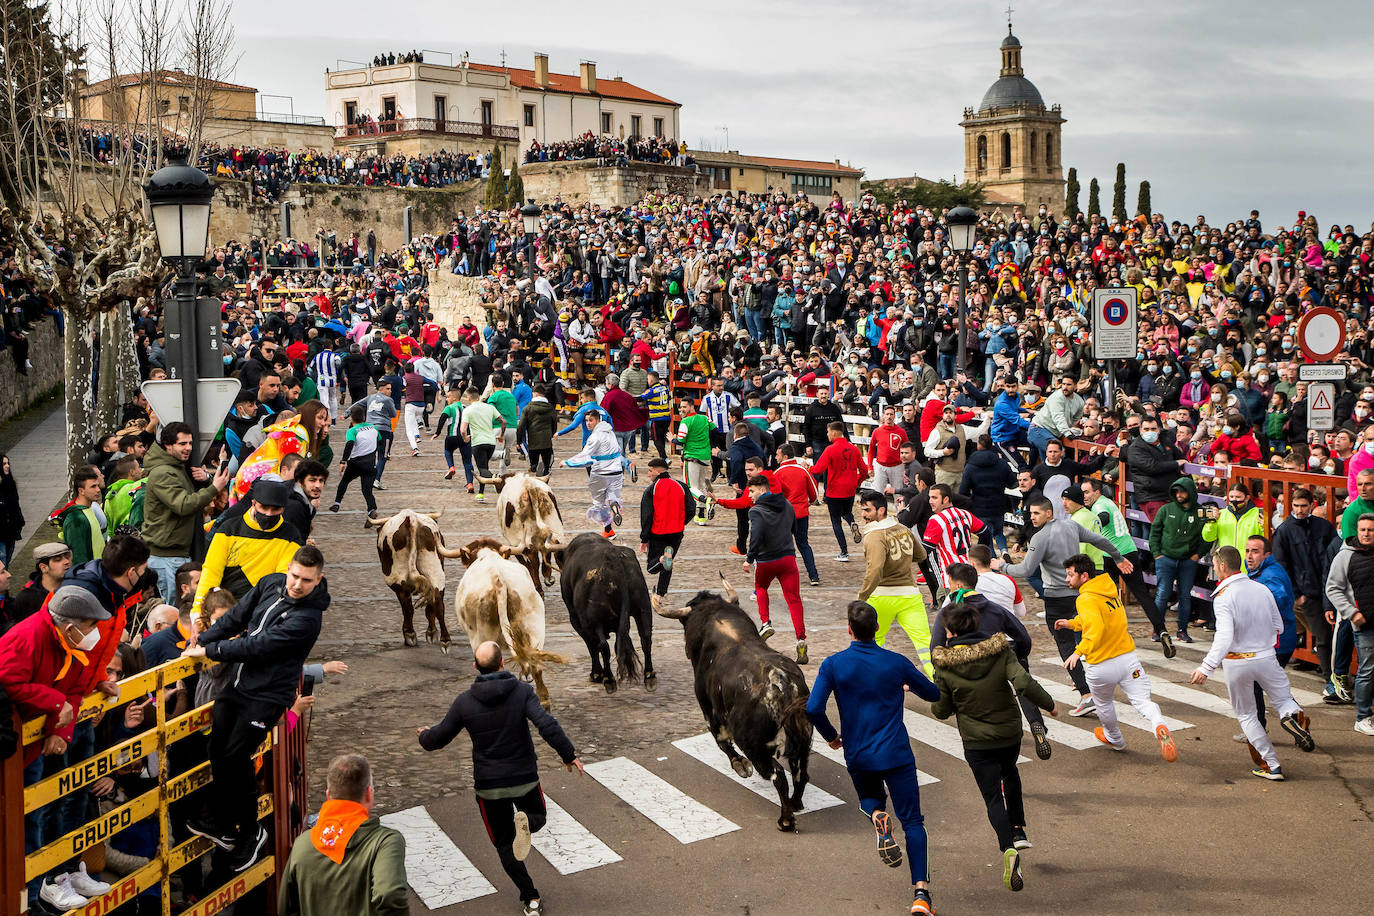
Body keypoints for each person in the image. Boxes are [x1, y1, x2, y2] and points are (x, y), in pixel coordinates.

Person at [184, 546, 330, 872]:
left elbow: (258, 647)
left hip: (268, 695)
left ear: (317, 580)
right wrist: (201, 640)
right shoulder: (270, 583)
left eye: (306, 580)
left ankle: (252, 832)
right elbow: (236, 617)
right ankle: (223, 823)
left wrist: (211, 649)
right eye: (294, 576)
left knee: (236, 755)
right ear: (288, 569)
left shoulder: (308, 618)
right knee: (217, 748)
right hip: (238, 685)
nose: (296, 584)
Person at [418, 640, 585, 916]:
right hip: (524, 779)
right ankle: (527, 823)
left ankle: (530, 898)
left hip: (489, 788)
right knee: (539, 817)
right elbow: (546, 724)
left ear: (475, 667)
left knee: (504, 845)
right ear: (503, 663)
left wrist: (423, 735)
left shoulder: (464, 703)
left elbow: (438, 738)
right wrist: (568, 755)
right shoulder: (522, 692)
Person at [806, 601, 942, 916]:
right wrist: (906, 685)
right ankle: (921, 895)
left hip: (859, 753)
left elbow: (813, 708)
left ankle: (878, 818)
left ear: (849, 630)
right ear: (878, 628)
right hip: (896, 752)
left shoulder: (833, 664)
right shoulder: (896, 662)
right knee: (913, 821)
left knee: (870, 801)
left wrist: (831, 737)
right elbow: (934, 694)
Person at [0, 585, 118, 911]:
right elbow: (8, 681)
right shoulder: (28, 637)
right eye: (92, 626)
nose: (96, 634)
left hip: (35, 746)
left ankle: (34, 892)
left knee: (33, 820)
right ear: (70, 627)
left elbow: (76, 692)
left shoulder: (72, 645)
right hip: (12, 749)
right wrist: (55, 704)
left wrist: (61, 733)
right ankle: (20, 897)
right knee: (17, 824)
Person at [930, 600, 1057, 892]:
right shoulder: (1001, 652)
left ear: (949, 632)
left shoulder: (946, 665)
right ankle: (1018, 828)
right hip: (1009, 733)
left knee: (991, 798)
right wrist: (1048, 705)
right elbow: (1023, 682)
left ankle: (1008, 848)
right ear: (976, 624)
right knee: (1010, 772)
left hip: (976, 740)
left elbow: (941, 710)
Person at [994, 497, 1132, 717]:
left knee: (1066, 647)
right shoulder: (1071, 525)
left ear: (1049, 513)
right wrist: (1118, 558)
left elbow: (1026, 570)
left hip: (1056, 598)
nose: (1033, 518)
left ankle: (1087, 695)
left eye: (1037, 513)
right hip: (1079, 593)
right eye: (1031, 514)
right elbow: (1099, 540)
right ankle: (1098, 683)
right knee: (1088, 638)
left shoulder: (1040, 537)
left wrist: (1001, 566)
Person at [1192, 546, 1315, 778]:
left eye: (1216, 566)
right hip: (1266, 656)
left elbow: (1224, 636)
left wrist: (1206, 666)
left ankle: (1271, 764)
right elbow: (1278, 624)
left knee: (1248, 715)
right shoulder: (1262, 589)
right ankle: (1291, 717)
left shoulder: (1223, 596)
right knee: (1284, 700)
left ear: (1222, 567)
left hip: (1237, 661)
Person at [1057, 553, 1178, 762]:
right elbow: (1100, 619)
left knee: (1104, 705)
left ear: (1084, 576)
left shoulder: (1085, 598)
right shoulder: (1109, 591)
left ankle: (1116, 739)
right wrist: (1073, 623)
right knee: (1143, 701)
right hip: (1127, 658)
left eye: (1070, 575)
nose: (1067, 579)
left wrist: (1077, 652)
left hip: (1101, 664)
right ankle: (1158, 723)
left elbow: (1095, 629)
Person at [930, 564, 1049, 757]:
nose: (948, 586)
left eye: (950, 582)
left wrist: (942, 670)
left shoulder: (949, 611)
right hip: (1002, 655)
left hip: (965, 665)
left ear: (958, 585)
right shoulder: (993, 608)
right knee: (1021, 684)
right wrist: (1019, 657)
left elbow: (935, 645)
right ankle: (1036, 722)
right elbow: (1023, 636)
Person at [278, 753, 409, 916]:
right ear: (369, 793)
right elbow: (390, 895)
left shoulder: (302, 844)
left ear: (328, 795)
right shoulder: (385, 842)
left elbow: (285, 908)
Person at [1079, 478, 1174, 655]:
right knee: (1142, 596)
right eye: (1082, 492)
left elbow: (1103, 519)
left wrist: (1090, 528)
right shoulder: (1108, 502)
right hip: (1130, 550)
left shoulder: (1099, 506)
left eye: (1087, 492)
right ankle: (1161, 630)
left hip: (1111, 556)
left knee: (1102, 597)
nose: (1084, 496)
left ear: (1097, 492)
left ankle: (1107, 637)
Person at [142, 422, 233, 600]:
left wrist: (207, 479)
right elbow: (183, 505)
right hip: (167, 556)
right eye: (182, 444)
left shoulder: (177, 467)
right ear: (168, 445)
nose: (188, 448)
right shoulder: (163, 473)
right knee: (174, 609)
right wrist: (214, 488)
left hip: (177, 552)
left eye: (190, 443)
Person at [191, 479, 302, 618]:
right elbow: (212, 572)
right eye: (264, 507)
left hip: (262, 612)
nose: (268, 513)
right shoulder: (228, 529)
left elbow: (280, 579)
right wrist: (198, 612)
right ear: (253, 503)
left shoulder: (291, 536)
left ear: (283, 508)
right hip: (226, 611)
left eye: (275, 509)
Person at [1272, 488, 1342, 701]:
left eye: (1304, 506)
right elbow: (1281, 565)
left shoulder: (1322, 526)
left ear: (1312, 505)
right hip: (1307, 593)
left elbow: (1333, 555)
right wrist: (1296, 594)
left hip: (1328, 588)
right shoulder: (1284, 530)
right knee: (1323, 637)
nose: (1300, 510)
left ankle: (1336, 678)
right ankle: (1331, 681)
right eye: (1296, 506)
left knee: (1332, 637)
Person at [857, 490, 931, 665]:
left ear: (881, 510)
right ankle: (939, 682)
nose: (863, 515)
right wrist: (901, 559)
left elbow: (874, 570)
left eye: (867, 510)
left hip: (881, 595)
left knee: (871, 642)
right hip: (910, 595)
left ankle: (873, 682)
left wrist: (862, 597)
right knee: (925, 643)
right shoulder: (903, 528)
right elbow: (921, 555)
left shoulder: (874, 536)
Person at [744, 474, 809, 664]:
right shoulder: (787, 505)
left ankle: (765, 623)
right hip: (788, 558)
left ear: (763, 490)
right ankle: (801, 639)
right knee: (794, 600)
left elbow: (755, 536)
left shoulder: (756, 511)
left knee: (761, 588)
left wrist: (749, 558)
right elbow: (794, 529)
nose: (749, 495)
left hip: (766, 560)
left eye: (752, 491)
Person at [1325, 512, 1374, 736]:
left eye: (1371, 530)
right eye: (1363, 529)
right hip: (1364, 625)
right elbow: (1333, 588)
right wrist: (1352, 613)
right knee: (1367, 671)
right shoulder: (1345, 556)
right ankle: (1363, 717)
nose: (1366, 533)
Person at [1148, 477, 1209, 643]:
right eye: (1176, 491)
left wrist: (1198, 554)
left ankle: (1182, 631)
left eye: (1182, 491)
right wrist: (1157, 554)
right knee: (1162, 594)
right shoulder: (1166, 510)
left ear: (1191, 492)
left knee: (1185, 596)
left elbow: (1209, 534)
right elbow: (1154, 533)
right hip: (1165, 559)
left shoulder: (1201, 511)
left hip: (1188, 561)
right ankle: (1157, 630)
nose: (1179, 494)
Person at [564, 412, 626, 539]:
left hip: (600, 473)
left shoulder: (594, 437)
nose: (588, 423)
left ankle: (607, 529)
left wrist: (567, 462)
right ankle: (611, 517)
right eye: (586, 420)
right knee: (612, 496)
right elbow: (618, 451)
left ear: (598, 420)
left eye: (591, 420)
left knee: (599, 503)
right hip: (617, 471)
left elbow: (584, 456)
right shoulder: (610, 432)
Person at [810, 421, 864, 561]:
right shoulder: (854, 449)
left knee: (835, 521)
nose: (827, 434)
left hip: (835, 490)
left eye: (828, 432)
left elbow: (818, 469)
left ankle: (844, 552)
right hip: (850, 489)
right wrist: (857, 482)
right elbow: (864, 470)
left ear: (834, 432)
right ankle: (852, 523)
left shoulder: (830, 449)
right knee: (847, 512)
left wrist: (808, 467)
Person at [639, 458, 694, 596]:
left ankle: (662, 559)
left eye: (650, 471)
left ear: (658, 471)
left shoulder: (651, 489)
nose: (648, 474)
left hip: (658, 533)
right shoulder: (681, 485)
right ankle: (660, 595)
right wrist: (681, 522)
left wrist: (644, 539)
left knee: (652, 567)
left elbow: (646, 517)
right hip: (676, 533)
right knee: (667, 566)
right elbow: (691, 509)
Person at [773, 444, 822, 586]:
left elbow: (774, 496)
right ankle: (813, 575)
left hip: (785, 515)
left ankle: (787, 575)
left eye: (778, 455)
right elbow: (814, 492)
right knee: (804, 544)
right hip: (801, 513)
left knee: (784, 546)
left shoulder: (778, 473)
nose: (776, 457)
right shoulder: (803, 470)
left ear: (785, 456)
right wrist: (809, 502)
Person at [923, 483, 985, 589]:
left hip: (951, 578)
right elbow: (985, 533)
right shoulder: (965, 514)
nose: (930, 501)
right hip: (970, 572)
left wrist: (939, 583)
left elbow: (927, 552)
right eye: (930, 497)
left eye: (934, 498)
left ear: (946, 499)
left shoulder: (936, 519)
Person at [349, 381, 398, 490]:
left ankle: (367, 478)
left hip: (371, 430)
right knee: (383, 455)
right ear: (380, 389)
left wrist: (347, 413)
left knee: (371, 454)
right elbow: (394, 414)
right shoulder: (388, 400)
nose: (390, 391)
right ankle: (376, 479)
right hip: (384, 430)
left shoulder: (370, 398)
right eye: (388, 389)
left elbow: (357, 404)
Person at [332, 404, 379, 516]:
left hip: (356, 463)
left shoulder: (352, 431)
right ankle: (371, 509)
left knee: (344, 482)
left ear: (351, 418)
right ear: (364, 417)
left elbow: (349, 445)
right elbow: (379, 440)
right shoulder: (374, 427)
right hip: (370, 463)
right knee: (367, 489)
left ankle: (337, 503)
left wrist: (343, 461)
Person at [9, 543, 73, 625]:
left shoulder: (76, 588)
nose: (67, 562)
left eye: (67, 557)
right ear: (44, 568)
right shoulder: (27, 598)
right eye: (58, 559)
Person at [460, 387, 505, 502]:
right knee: (484, 467)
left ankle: (495, 478)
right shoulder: (490, 407)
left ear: (468, 397)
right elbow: (503, 421)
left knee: (482, 468)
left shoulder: (468, 410)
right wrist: (501, 435)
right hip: (491, 442)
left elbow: (463, 430)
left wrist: (465, 439)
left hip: (478, 443)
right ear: (479, 396)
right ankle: (481, 493)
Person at [675, 397, 715, 525]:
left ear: (692, 407)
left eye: (684, 407)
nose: (682, 409)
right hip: (705, 456)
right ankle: (701, 516)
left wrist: (672, 439)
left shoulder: (685, 422)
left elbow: (680, 441)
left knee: (690, 487)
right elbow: (716, 431)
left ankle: (707, 500)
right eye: (680, 407)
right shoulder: (705, 418)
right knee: (701, 485)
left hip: (691, 457)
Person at [56, 465, 105, 565]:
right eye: (93, 486)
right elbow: (78, 558)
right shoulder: (76, 519)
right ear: (81, 491)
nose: (98, 490)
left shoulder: (88, 509)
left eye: (97, 485)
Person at [517, 385, 558, 476]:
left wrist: (519, 441)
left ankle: (534, 467)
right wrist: (551, 434)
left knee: (533, 465)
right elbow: (554, 423)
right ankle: (545, 473)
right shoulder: (550, 408)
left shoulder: (528, 408)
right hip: (546, 441)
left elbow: (521, 426)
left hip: (533, 441)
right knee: (547, 465)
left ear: (535, 394)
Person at [867, 405, 909, 495]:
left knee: (898, 495)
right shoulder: (877, 431)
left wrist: (907, 465)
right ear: (884, 415)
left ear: (894, 415)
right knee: (878, 494)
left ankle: (900, 510)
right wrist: (870, 466)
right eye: (887, 414)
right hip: (880, 466)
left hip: (897, 467)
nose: (889, 416)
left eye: (891, 414)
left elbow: (907, 449)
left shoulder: (901, 432)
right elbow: (871, 449)